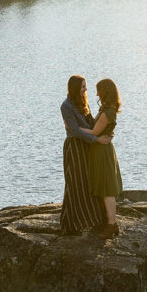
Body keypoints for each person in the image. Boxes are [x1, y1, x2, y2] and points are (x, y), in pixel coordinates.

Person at [60, 75, 110, 236]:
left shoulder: (83, 102)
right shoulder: (66, 106)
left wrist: (106, 129)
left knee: (90, 182)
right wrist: (96, 139)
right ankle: (71, 225)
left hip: (87, 146)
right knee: (76, 183)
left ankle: (94, 220)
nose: (86, 89)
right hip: (75, 147)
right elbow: (74, 131)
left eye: (85, 86)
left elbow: (90, 123)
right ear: (75, 88)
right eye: (83, 86)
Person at [82, 78, 124, 239]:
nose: (97, 94)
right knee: (103, 187)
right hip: (100, 150)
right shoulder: (108, 109)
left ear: (105, 92)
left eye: (99, 90)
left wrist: (74, 128)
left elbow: (94, 132)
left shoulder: (107, 113)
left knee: (107, 189)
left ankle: (111, 224)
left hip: (102, 151)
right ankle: (108, 221)